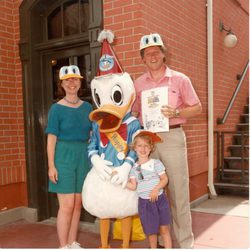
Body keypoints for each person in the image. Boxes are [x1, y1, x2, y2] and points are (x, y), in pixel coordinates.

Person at [132, 33, 202, 248]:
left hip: (172, 136)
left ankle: (184, 243)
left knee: (179, 192)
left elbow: (197, 108)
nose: (152, 55)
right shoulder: (138, 84)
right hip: (148, 141)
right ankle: (164, 241)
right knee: (151, 191)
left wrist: (177, 111)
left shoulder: (180, 79)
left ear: (163, 54)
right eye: (147, 53)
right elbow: (133, 113)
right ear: (142, 58)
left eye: (156, 51)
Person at [45, 65, 93, 249]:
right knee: (66, 205)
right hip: (63, 156)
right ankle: (63, 245)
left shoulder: (87, 107)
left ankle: (73, 242)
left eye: (75, 79)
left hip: (83, 156)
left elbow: (92, 134)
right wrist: (51, 165)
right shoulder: (56, 109)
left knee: (78, 204)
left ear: (80, 82)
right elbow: (51, 139)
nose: (72, 83)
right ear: (62, 84)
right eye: (68, 80)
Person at [126, 130, 172, 249]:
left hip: (160, 200)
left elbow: (164, 179)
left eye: (146, 145)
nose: (143, 149)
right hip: (145, 203)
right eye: (140, 145)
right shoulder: (134, 168)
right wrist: (120, 181)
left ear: (151, 148)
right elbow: (133, 186)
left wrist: (156, 189)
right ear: (134, 148)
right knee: (151, 233)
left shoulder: (156, 163)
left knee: (164, 229)